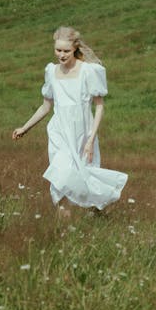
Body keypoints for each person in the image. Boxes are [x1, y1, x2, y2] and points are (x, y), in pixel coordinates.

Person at [12, 26, 127, 213]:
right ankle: (62, 221)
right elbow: (46, 106)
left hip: (83, 132)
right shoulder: (51, 71)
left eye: (66, 51)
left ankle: (94, 211)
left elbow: (99, 106)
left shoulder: (89, 71)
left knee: (83, 175)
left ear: (75, 48)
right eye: (58, 50)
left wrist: (91, 139)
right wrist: (25, 128)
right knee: (61, 174)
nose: (62, 55)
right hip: (59, 131)